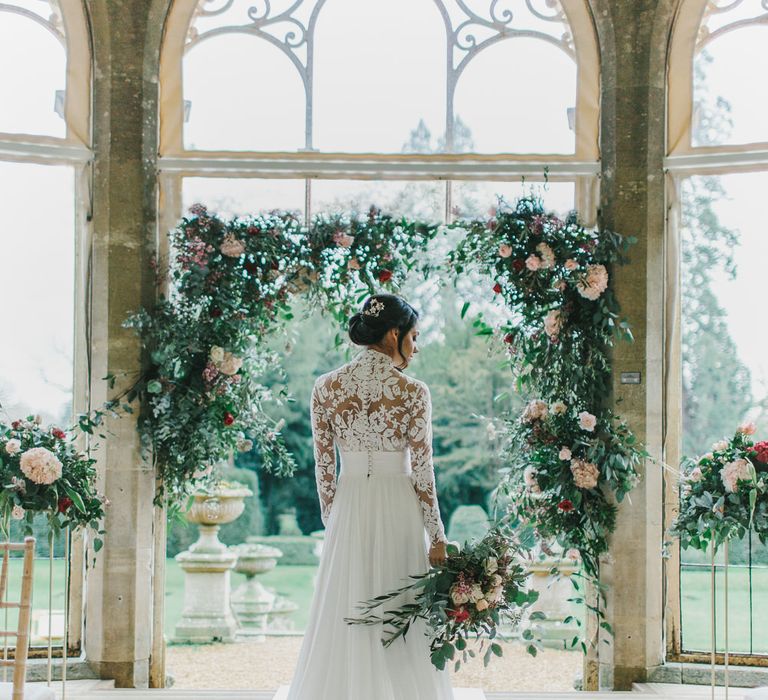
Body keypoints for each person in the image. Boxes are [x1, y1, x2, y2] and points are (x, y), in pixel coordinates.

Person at [285, 293, 455, 699]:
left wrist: (335, 520)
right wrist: (437, 535)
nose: (416, 348)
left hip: (350, 504)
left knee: (347, 607)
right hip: (399, 506)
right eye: (413, 337)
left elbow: (324, 468)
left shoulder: (325, 387)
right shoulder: (413, 391)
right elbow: (423, 470)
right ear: (393, 334)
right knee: (402, 609)